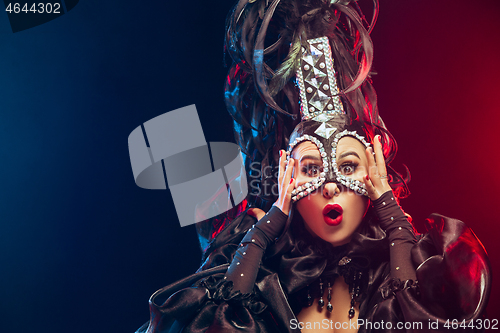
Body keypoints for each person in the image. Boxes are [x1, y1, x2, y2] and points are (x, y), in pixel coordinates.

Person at [136, 0, 490, 332]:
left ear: (373, 176)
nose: (330, 185)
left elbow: (423, 319)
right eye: (309, 169)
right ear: (287, 179)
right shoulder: (272, 272)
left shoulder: (410, 265)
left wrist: (393, 217)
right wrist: (263, 231)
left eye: (348, 167)